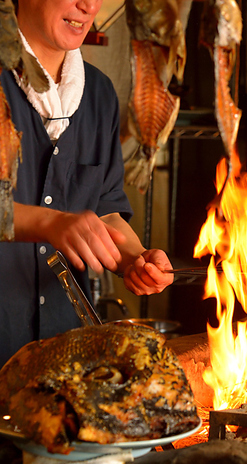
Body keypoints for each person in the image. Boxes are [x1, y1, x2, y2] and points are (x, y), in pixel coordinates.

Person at [0, 0, 174, 367]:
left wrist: (134, 259)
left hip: (65, 352)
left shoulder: (97, 93)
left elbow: (106, 207)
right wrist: (50, 223)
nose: (89, 5)